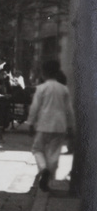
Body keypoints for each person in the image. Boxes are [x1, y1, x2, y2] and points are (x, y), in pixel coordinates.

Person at [27, 59, 75, 191]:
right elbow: (69, 110)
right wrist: (70, 126)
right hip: (60, 126)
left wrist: (30, 123)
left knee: (37, 149)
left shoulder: (41, 88)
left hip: (44, 124)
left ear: (43, 73)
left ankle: (43, 169)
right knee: (54, 153)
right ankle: (48, 177)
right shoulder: (64, 89)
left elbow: (35, 107)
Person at [0, 64, 12, 142]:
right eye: (2, 74)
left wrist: (9, 96)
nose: (4, 76)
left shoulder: (7, 83)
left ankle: (1, 133)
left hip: (6, 103)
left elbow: (11, 92)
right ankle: (0, 136)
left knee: (5, 119)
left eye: (5, 74)